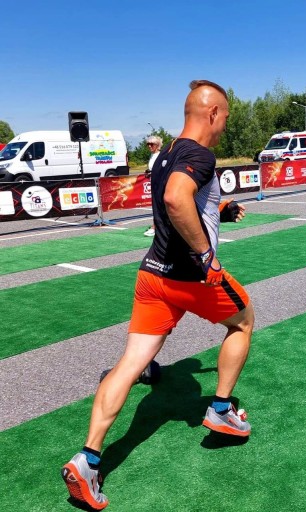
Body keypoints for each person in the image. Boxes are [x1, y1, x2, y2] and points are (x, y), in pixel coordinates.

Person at [61, 80, 255, 510]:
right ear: (212, 113)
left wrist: (220, 210)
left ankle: (88, 459)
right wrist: (206, 257)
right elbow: (175, 199)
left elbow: (183, 202)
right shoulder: (200, 154)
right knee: (243, 322)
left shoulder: (165, 152)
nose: (225, 126)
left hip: (153, 275)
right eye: (225, 117)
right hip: (189, 278)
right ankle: (221, 410)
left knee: (131, 364)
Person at [143, 135, 163, 236]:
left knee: (158, 206)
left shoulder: (160, 155)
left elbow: (162, 169)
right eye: (148, 144)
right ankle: (157, 226)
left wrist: (152, 172)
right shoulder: (152, 155)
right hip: (154, 182)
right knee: (157, 206)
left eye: (152, 144)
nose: (149, 146)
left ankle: (155, 227)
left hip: (159, 183)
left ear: (158, 145)